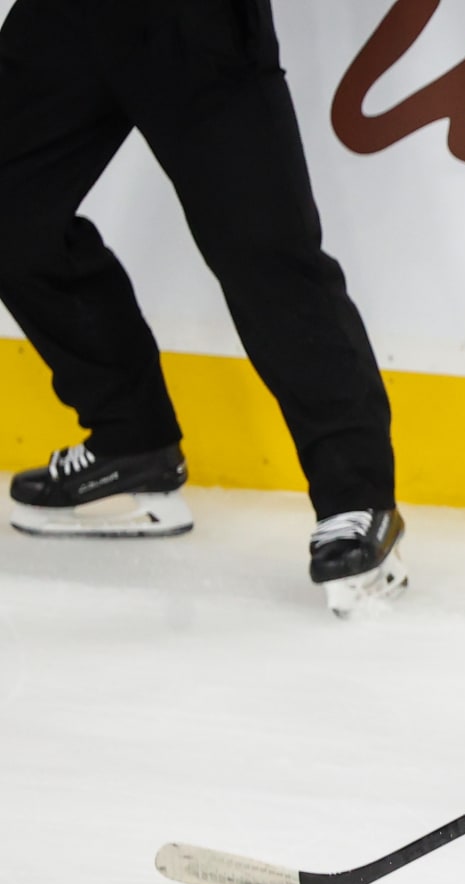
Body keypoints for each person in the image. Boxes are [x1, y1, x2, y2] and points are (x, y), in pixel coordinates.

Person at [0, 0, 405, 617]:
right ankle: (131, 442)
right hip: (66, 16)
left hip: (196, 23)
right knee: (11, 219)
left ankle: (357, 497)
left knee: (264, 254)